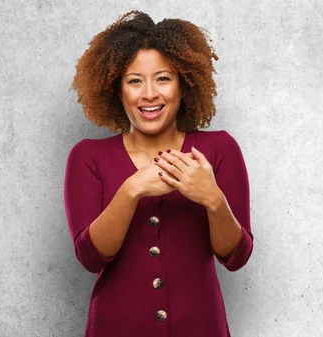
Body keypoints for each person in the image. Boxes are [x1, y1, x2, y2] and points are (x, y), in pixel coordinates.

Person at [63, 10, 254, 337]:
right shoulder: (88, 157)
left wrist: (213, 199)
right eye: (134, 81)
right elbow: (91, 257)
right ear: (116, 89)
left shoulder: (219, 149)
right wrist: (131, 189)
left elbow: (235, 257)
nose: (149, 93)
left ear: (184, 83)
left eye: (163, 78)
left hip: (201, 327)